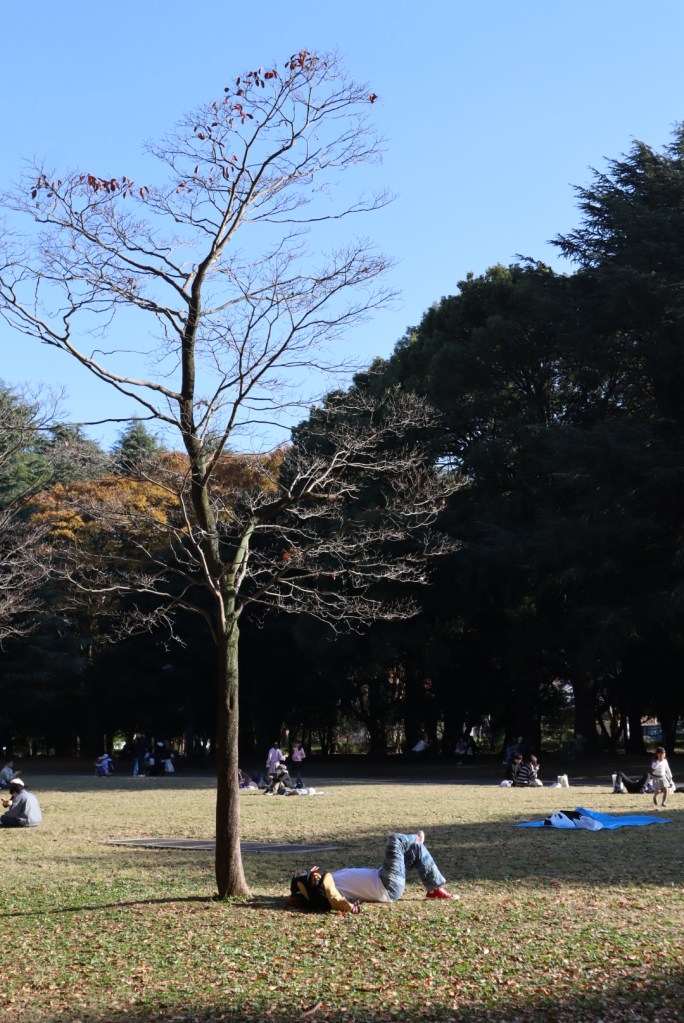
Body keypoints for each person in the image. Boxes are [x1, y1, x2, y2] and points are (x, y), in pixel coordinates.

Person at [329, 831, 458, 907]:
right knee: (396, 840)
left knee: (416, 849)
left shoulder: (326, 880)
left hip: (383, 877)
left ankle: (435, 889)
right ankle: (416, 838)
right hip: (386, 885)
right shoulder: (326, 889)